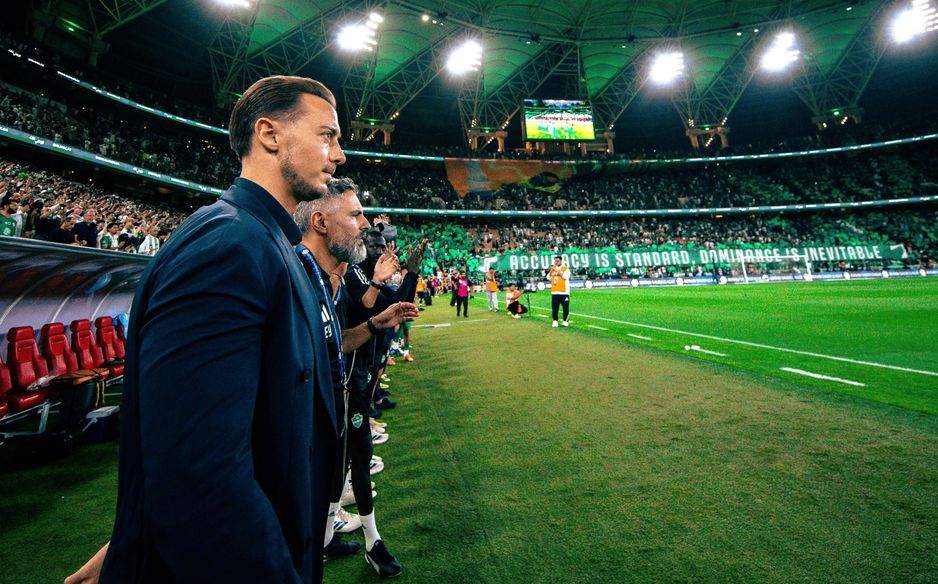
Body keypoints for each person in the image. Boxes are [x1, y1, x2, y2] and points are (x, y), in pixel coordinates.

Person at [90, 75, 347, 584]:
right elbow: (198, 475)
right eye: (328, 135)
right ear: (270, 135)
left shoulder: (265, 240)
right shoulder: (230, 245)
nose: (339, 155)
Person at [292, 178, 418, 570]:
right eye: (355, 214)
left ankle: (344, 536)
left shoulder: (322, 278)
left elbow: (333, 342)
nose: (365, 224)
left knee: (344, 462)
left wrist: (375, 325)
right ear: (321, 222)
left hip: (343, 394)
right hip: (312, 424)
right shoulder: (296, 277)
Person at [548, 255, 571, 327]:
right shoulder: (553, 269)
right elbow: (548, 277)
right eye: (555, 261)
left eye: (558, 261)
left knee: (565, 307)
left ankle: (565, 321)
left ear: (561, 261)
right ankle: (555, 321)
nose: (556, 262)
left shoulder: (565, 269)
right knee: (555, 307)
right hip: (555, 291)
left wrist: (557, 270)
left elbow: (565, 277)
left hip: (564, 292)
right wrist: (551, 270)